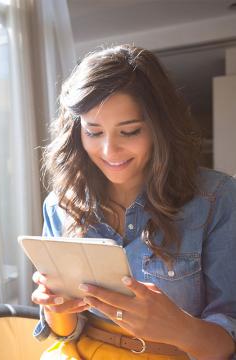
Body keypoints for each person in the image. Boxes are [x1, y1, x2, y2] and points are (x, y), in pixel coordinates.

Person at [31, 44, 236, 359]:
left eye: (129, 131)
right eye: (94, 132)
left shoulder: (217, 199)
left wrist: (179, 327)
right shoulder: (60, 204)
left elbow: (227, 343)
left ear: (159, 129)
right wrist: (55, 305)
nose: (110, 152)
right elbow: (64, 333)